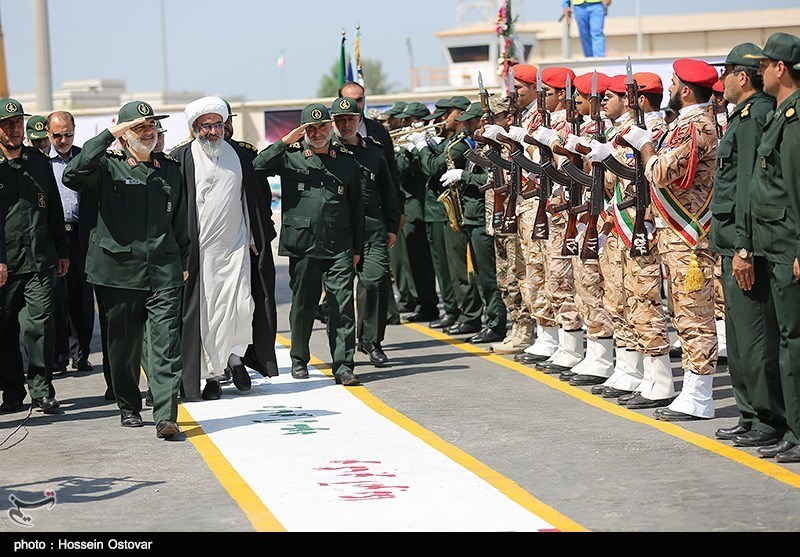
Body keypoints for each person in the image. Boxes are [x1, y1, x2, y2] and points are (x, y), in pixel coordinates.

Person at [63, 100, 190, 439]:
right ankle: (129, 405)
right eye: (139, 127)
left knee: (165, 345)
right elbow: (72, 173)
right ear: (123, 135)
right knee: (123, 346)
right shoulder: (105, 167)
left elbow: (181, 221)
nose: (148, 132)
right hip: (117, 272)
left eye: (151, 127)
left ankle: (166, 414)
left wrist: (185, 264)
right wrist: (110, 134)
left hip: (163, 270)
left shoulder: (170, 169)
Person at [614, 59, 719, 420]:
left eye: (674, 84)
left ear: (686, 90)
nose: (671, 89)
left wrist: (645, 145)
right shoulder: (684, 124)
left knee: (694, 315)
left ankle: (700, 396)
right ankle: (690, 391)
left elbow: (659, 171)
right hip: (675, 234)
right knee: (683, 313)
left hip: (690, 236)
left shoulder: (696, 126)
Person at [169, 96, 278, 401]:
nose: (214, 131)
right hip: (201, 252)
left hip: (236, 246)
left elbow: (250, 199)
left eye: (219, 124)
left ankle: (236, 358)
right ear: (195, 128)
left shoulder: (238, 156)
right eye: (207, 126)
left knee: (242, 307)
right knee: (210, 314)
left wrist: (255, 237)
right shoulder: (182, 158)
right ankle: (215, 375)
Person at [252, 103, 364, 387]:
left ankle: (343, 364)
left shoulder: (346, 160)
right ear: (302, 131)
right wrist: (285, 141)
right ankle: (300, 358)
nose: (317, 133)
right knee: (303, 304)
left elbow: (356, 208)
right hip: (303, 246)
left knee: (341, 305)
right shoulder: (291, 157)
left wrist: (357, 248)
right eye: (310, 128)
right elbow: (257, 166)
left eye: (322, 127)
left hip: (339, 245)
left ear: (331, 127)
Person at [707, 43, 782, 446]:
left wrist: (743, 247)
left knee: (754, 339)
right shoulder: (741, 117)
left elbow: (748, 190)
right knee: (737, 338)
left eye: (727, 73)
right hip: (729, 240)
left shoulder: (755, 117)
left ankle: (767, 419)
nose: (721, 83)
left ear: (742, 76)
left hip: (743, 244)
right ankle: (750, 415)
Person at [748, 32, 800, 463]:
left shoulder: (796, 117)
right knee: (784, 339)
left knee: (794, 340)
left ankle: (798, 432)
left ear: (780, 68)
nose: (759, 71)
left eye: (764, 64)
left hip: (789, 248)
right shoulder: (781, 114)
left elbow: (798, 188)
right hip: (774, 246)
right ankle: (789, 427)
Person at [0, 98, 69, 415]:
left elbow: (53, 207)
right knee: (5, 331)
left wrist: (62, 250)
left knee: (40, 326)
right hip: (5, 264)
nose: (14, 129)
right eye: (7, 124)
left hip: (40, 258)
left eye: (17, 123)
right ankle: (12, 392)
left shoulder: (38, 162)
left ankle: (42, 390)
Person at [332, 97, 401, 365]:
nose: (346, 124)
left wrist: (392, 227)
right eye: (340, 120)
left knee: (375, 281)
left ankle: (371, 340)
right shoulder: (326, 151)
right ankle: (343, 350)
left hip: (372, 228)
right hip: (341, 232)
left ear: (359, 121)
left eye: (350, 119)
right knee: (341, 293)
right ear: (333, 123)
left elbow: (389, 191)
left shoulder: (373, 151)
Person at [440, 102, 507, 343]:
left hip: (481, 216)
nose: (466, 126)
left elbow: (493, 178)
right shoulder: (476, 145)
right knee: (480, 274)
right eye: (465, 122)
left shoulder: (492, 146)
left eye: (471, 122)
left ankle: (496, 324)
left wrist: (463, 175)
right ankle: (490, 320)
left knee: (489, 276)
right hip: (470, 215)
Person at [46, 111, 96, 376]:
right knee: (56, 298)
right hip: (54, 237)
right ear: (48, 133)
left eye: (68, 134)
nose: (63, 139)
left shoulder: (85, 159)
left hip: (82, 235)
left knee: (82, 298)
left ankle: (82, 354)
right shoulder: (41, 162)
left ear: (75, 131)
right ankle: (59, 355)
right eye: (57, 135)